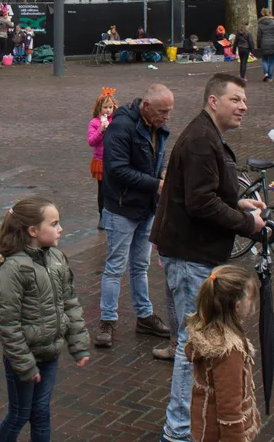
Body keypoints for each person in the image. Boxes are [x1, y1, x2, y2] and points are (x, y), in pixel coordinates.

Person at [151, 73, 263, 442]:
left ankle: (182, 426)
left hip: (193, 252)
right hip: (190, 256)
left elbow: (201, 192)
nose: (243, 106)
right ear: (214, 101)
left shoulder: (207, 135)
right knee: (192, 344)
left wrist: (237, 202)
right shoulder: (202, 139)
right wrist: (249, 223)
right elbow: (200, 202)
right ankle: (178, 430)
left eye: (244, 100)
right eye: (235, 99)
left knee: (195, 340)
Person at [0, 197, 91, 442]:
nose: (61, 229)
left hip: (50, 353)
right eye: (54, 223)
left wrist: (78, 345)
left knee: (41, 412)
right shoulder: (13, 269)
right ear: (33, 231)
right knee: (20, 413)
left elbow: (70, 303)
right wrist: (25, 364)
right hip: (24, 358)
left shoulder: (57, 259)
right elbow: (9, 325)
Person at [94, 84, 175, 349]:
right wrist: (156, 184)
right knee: (115, 265)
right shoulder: (121, 127)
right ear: (146, 107)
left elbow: (156, 159)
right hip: (121, 206)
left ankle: (144, 315)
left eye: (169, 112)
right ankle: (107, 320)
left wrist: (160, 175)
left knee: (140, 265)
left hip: (145, 206)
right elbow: (116, 169)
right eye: (162, 112)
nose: (166, 117)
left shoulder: (157, 126)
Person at [182, 265, 261, 442]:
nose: (254, 303)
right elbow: (229, 410)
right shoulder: (229, 352)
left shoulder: (210, 335)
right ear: (238, 306)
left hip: (205, 427)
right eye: (251, 299)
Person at [88, 90, 118, 230]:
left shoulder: (116, 121)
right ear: (99, 108)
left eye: (110, 107)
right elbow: (91, 141)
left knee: (114, 187)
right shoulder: (94, 123)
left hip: (114, 159)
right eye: (105, 107)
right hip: (100, 161)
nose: (108, 110)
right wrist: (101, 130)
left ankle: (115, 214)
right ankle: (102, 216)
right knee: (102, 189)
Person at [256, 8, 274, 83]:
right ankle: (270, 77)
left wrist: (258, 44)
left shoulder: (260, 24)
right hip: (273, 43)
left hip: (264, 43)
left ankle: (266, 72)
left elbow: (259, 36)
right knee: (272, 61)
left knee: (264, 59)